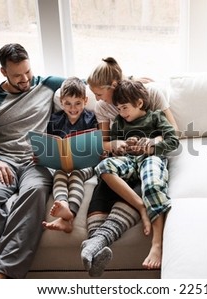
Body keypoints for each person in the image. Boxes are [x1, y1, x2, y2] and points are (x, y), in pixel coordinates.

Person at [0, 43, 65, 279]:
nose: (25, 79)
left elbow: (90, 83)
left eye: (27, 71)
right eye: (17, 75)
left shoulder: (48, 84)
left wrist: (128, 80)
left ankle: (0, 276)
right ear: (3, 72)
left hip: (36, 161)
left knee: (36, 191)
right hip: (2, 161)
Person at [81, 57, 179, 277]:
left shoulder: (150, 96)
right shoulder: (110, 113)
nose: (96, 100)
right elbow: (105, 143)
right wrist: (116, 144)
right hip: (125, 159)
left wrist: (152, 143)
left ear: (114, 86)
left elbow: (172, 133)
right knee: (103, 177)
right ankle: (94, 246)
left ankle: (154, 241)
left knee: (150, 184)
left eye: (99, 94)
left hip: (149, 157)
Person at [41, 76, 97, 233]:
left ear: (85, 101)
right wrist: (42, 155)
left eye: (78, 103)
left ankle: (69, 213)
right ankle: (62, 203)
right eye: (68, 104)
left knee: (76, 175)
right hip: (62, 164)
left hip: (86, 164)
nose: (73, 108)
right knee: (59, 173)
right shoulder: (55, 120)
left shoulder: (91, 119)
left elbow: (96, 145)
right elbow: (49, 144)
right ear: (61, 101)